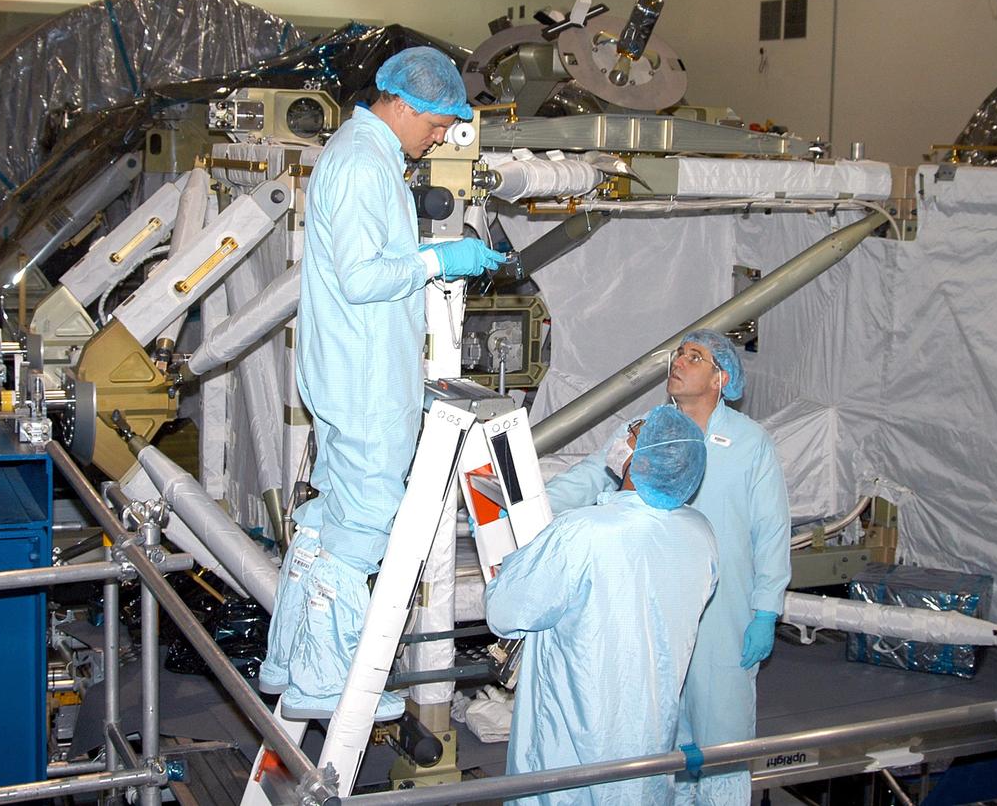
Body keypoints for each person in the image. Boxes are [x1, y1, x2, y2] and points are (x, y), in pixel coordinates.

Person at [259, 46, 505, 719]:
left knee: (332, 514)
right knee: (365, 523)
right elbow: (367, 278)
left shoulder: (356, 153)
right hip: (365, 379)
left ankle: (288, 659)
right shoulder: (367, 164)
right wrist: (439, 257)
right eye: (438, 122)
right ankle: (323, 683)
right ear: (405, 103)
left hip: (345, 370)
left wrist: (425, 259)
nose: (440, 136)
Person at [546, 329, 791, 805]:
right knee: (659, 730)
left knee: (722, 734)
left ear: (721, 378)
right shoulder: (646, 432)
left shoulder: (749, 442)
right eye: (679, 353)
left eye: (694, 356)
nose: (679, 361)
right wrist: (524, 504)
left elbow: (772, 529)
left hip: (724, 610)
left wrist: (766, 611)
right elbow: (591, 475)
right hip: (655, 605)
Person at [485, 405, 719, 805]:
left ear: (637, 458)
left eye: (635, 430)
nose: (624, 433)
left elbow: (505, 612)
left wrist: (511, 559)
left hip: (570, 748)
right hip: (648, 739)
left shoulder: (583, 533)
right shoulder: (701, 534)